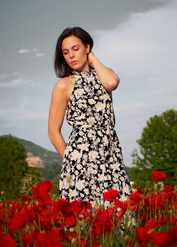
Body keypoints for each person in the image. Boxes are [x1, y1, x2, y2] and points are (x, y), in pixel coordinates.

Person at [48, 27, 131, 206]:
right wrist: (72, 160)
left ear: (87, 47)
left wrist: (91, 57)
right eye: (65, 52)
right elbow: (53, 131)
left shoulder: (104, 74)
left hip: (111, 155)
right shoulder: (63, 85)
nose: (71, 56)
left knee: (118, 216)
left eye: (76, 49)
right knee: (86, 222)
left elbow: (111, 83)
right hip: (80, 160)